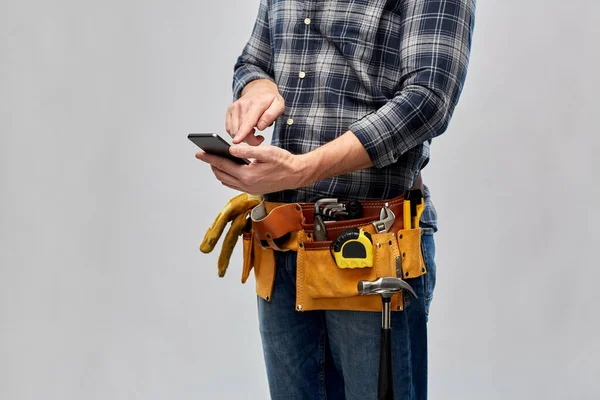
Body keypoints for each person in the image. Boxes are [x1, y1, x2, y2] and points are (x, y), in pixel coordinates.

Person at [196, 0, 476, 398]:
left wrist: (303, 169)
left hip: (374, 247)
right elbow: (253, 60)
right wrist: (258, 88)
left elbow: (428, 99)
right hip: (283, 244)